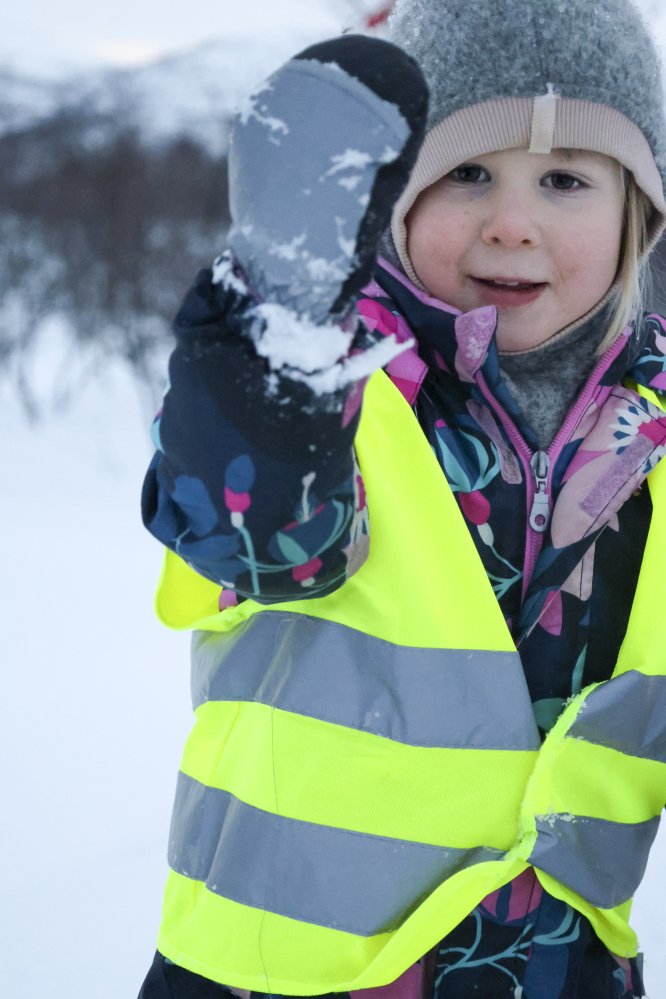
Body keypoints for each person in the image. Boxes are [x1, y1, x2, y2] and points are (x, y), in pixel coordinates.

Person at [138, 1, 666, 997]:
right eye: (468, 172)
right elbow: (253, 530)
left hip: (558, 967)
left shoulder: (655, 440)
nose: (513, 221)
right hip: (285, 973)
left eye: (565, 180)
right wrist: (271, 347)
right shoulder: (350, 398)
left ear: (639, 213)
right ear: (393, 202)